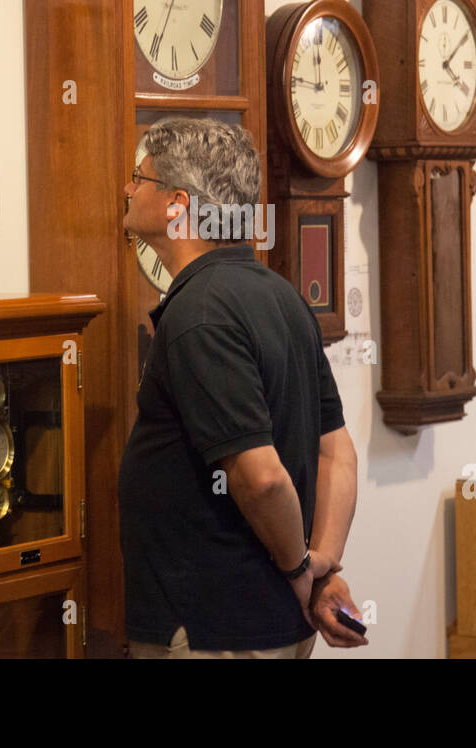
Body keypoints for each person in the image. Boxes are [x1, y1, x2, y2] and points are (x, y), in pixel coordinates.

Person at [118, 117, 365, 658]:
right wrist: (321, 568)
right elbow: (338, 453)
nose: (128, 188)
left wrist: (303, 571)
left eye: (139, 177)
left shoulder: (198, 316)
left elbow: (261, 479)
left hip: (215, 632)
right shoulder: (282, 297)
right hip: (271, 624)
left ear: (177, 204)